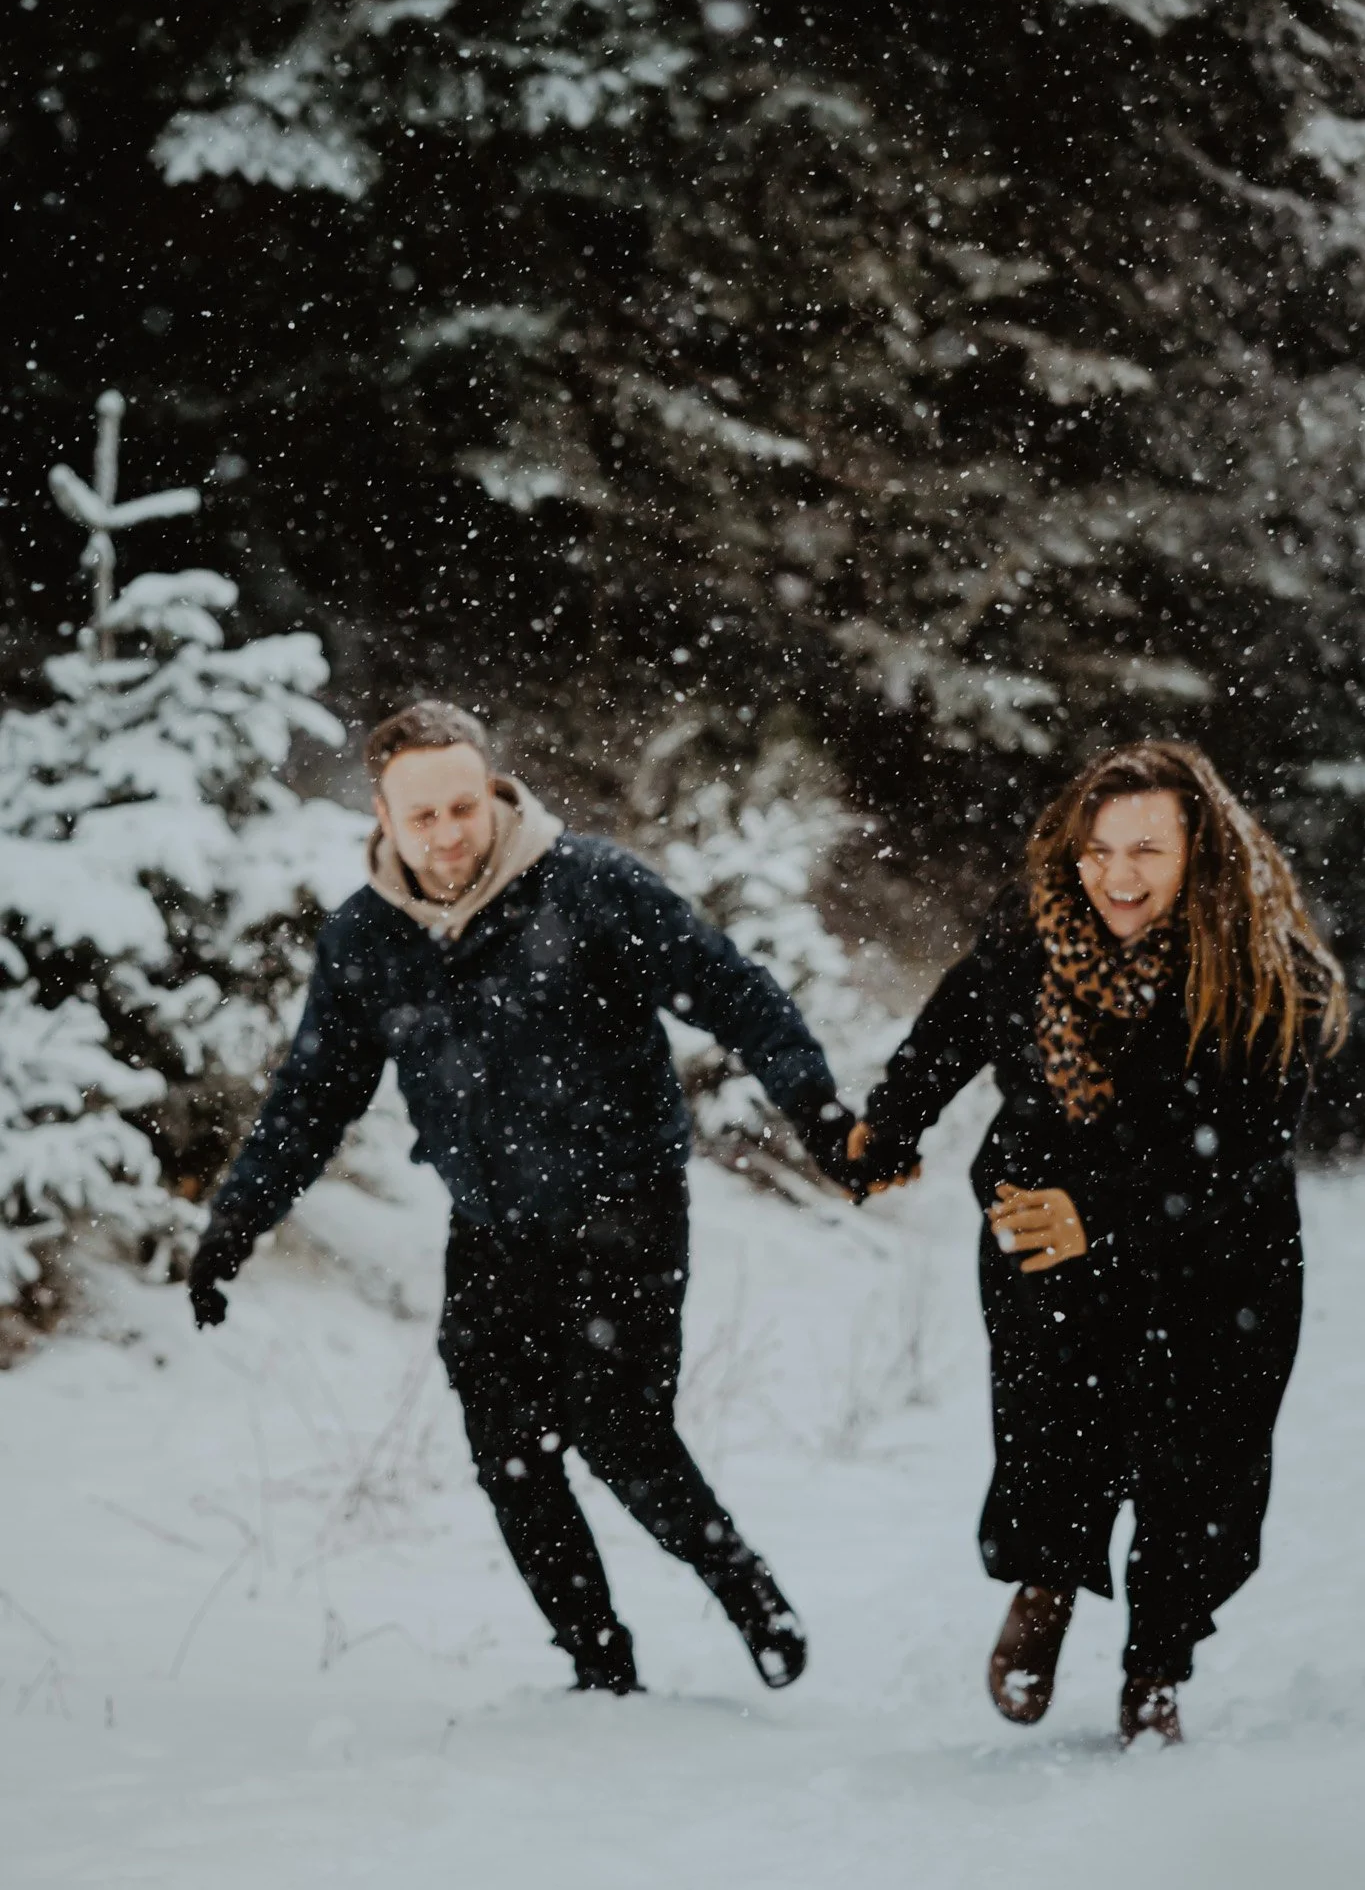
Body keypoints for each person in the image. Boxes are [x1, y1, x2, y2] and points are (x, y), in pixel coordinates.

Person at [187, 700, 854, 1695]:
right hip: (494, 1222)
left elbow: (734, 989)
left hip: (627, 1205)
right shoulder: (368, 939)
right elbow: (311, 1098)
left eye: (465, 805)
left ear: (493, 786)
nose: (450, 833)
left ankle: (741, 1583)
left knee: (618, 1430)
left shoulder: (590, 888)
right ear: (384, 814)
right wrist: (235, 1221)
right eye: (424, 817)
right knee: (507, 1449)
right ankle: (598, 1663)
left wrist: (820, 1110)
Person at [849, 741, 1346, 1745]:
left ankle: (1156, 1666)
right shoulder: (1037, 936)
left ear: (1199, 850)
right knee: (1050, 1435)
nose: (1117, 876)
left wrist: (1104, 1208)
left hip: (1215, 1261)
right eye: (1098, 849)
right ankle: (1047, 1584)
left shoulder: (1264, 968)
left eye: (1148, 850)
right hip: (1049, 1244)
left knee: (1198, 1470)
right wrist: (889, 1125)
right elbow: (956, 1021)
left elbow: (1247, 1146)